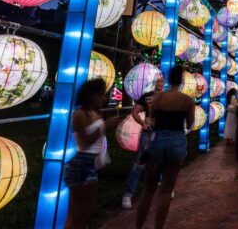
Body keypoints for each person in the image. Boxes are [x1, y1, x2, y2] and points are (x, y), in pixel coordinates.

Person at [135, 65, 195, 229]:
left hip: (158, 140)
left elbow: (152, 118)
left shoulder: (158, 98)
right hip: (176, 142)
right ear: (182, 80)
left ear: (168, 79)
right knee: (167, 190)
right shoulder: (187, 100)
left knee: (148, 189)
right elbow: (189, 124)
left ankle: (138, 226)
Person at [63, 79, 123, 229]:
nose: (104, 98)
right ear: (91, 95)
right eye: (101, 95)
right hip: (82, 163)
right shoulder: (79, 114)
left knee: (88, 211)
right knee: (76, 213)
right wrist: (105, 127)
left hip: (93, 163)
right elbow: (84, 143)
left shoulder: (96, 113)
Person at [122, 75, 165, 209]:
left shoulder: (168, 96)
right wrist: (142, 123)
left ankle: (164, 187)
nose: (159, 83)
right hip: (148, 132)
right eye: (157, 80)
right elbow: (135, 112)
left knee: (162, 160)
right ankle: (128, 194)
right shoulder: (147, 96)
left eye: (162, 80)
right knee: (140, 161)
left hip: (162, 132)